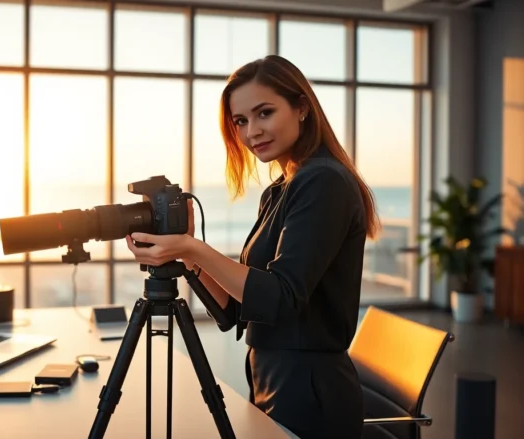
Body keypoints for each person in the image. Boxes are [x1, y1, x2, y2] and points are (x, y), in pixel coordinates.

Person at [124, 55, 380, 438]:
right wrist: (186, 252)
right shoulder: (281, 189)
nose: (252, 132)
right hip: (274, 381)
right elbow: (237, 309)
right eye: (241, 121)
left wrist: (193, 249)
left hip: (311, 394)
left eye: (264, 113)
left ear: (302, 108)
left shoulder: (323, 182)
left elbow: (280, 297)